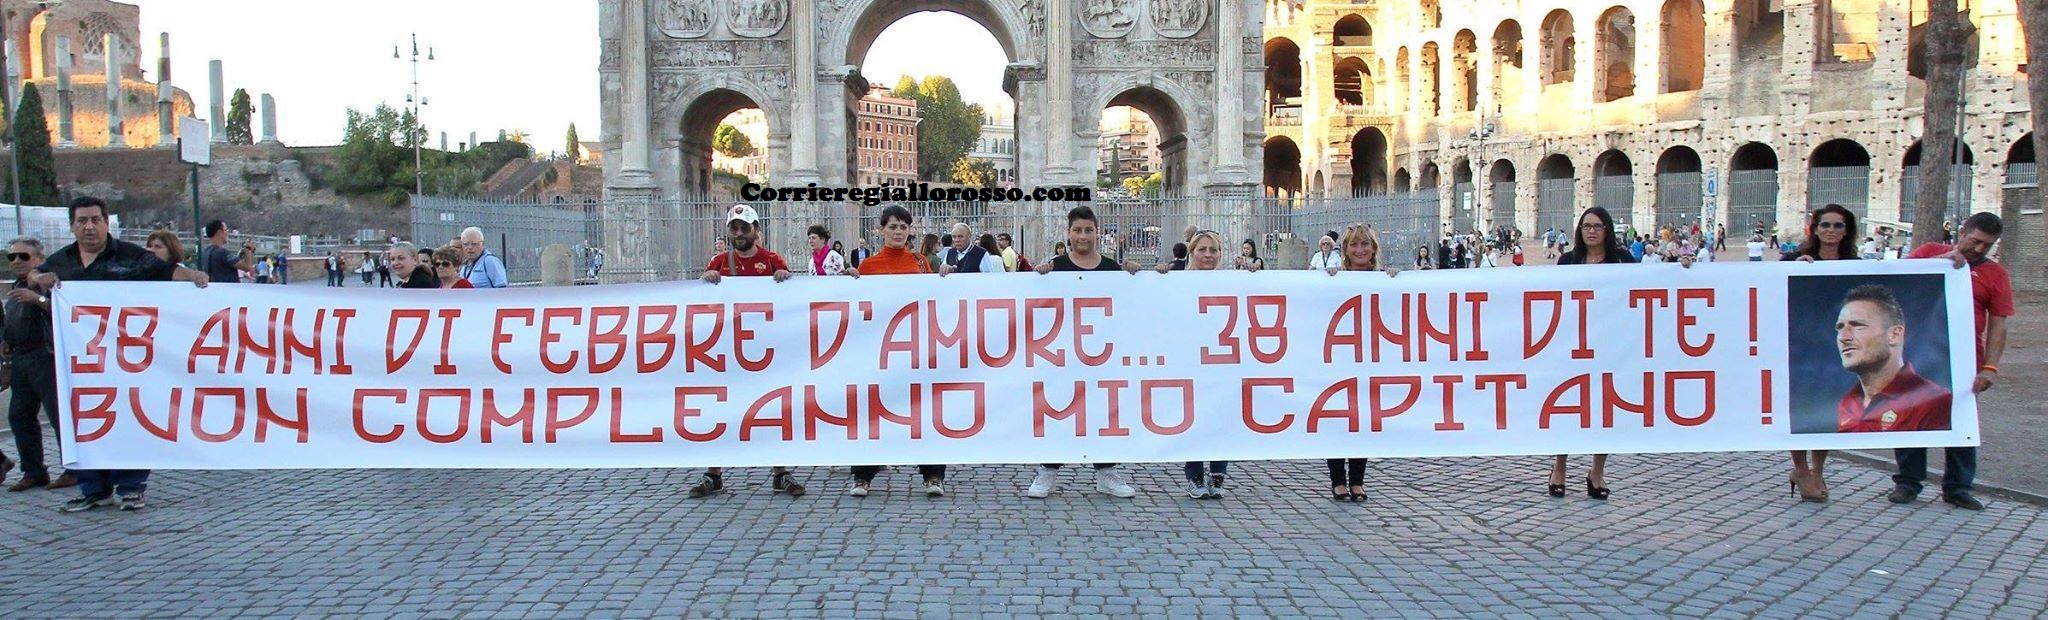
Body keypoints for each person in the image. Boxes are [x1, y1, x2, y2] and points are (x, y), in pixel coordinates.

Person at [41, 197, 210, 512]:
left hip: (125, 359)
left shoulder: (131, 257)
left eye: (95, 219)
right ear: (72, 226)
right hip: (79, 364)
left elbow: (168, 272)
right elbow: (36, 276)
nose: (89, 226)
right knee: (82, 421)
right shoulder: (61, 261)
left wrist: (195, 277)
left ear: (106, 222)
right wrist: (41, 279)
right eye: (82, 221)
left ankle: (131, 486)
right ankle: (93, 487)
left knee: (130, 417)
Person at [1892, 212, 2012, 511]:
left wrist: (1991, 367)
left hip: (1966, 359)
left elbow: (1999, 323)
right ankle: (1908, 482)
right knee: (1912, 416)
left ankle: (1958, 487)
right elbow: (1896, 281)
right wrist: (1939, 263)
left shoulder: (1996, 275)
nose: (1980, 250)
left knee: (1961, 421)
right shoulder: (1930, 254)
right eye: (1975, 241)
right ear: (1962, 232)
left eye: (1988, 245)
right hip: (1920, 352)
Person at [688, 205, 806, 499]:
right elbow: (702, 303)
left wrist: (785, 278)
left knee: (774, 411)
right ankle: (713, 474)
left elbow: (792, 299)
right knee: (723, 410)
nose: (738, 233)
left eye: (744, 228)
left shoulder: (772, 260)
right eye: (734, 228)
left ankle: (780, 472)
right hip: (730, 350)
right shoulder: (718, 261)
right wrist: (706, 281)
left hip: (767, 351)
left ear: (755, 230)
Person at [1026, 206, 1141, 499]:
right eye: (1077, 230)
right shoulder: (1055, 267)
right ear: (1068, 233)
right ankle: (1047, 471)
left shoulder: (1113, 269)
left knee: (1104, 411)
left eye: (1088, 230)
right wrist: (1039, 276)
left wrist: (1137, 276)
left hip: (1103, 356)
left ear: (1097, 232)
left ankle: (1107, 472)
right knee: (1058, 410)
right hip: (1063, 356)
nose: (1083, 236)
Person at [843, 206, 950, 497]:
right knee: (872, 412)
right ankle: (862, 476)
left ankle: (933, 475)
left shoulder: (920, 262)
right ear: (881, 231)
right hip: (879, 351)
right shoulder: (868, 267)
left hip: (914, 349)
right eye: (892, 227)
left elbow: (931, 300)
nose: (898, 232)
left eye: (903, 226)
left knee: (923, 411)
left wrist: (941, 278)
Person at [1547, 207, 1638, 501]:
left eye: (1597, 226)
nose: (1591, 231)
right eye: (1586, 226)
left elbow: (1651, 284)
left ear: (1607, 230)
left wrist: (1682, 267)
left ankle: (1597, 471)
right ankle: (1559, 467)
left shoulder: (1623, 260)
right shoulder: (1568, 261)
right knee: (1567, 407)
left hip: (1611, 345)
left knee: (1604, 411)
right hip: (1574, 343)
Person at [1783, 203, 1861, 501]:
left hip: (1834, 346)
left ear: (1846, 230)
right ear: (1815, 229)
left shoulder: (1856, 262)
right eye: (1825, 225)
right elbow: (1767, 287)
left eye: (1837, 225)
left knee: (1827, 409)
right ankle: (1800, 468)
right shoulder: (1795, 259)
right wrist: (1792, 269)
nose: (1830, 230)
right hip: (1801, 346)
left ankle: (1818, 469)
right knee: (1801, 410)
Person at [1322, 224, 1401, 501]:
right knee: (1337, 419)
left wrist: (1395, 280)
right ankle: (1337, 480)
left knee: (1361, 420)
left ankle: (1357, 480)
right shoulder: (1333, 278)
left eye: (1365, 245)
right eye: (1354, 245)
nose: (1360, 250)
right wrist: (1328, 280)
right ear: (1345, 250)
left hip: (1370, 358)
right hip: (1339, 357)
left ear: (1373, 249)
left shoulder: (1384, 278)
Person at [3, 236, 76, 492]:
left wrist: (39, 300)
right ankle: (33, 471)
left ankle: (74, 469)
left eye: (24, 256)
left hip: (45, 355)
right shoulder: (17, 285)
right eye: (12, 256)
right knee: (19, 416)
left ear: (39, 259)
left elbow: (64, 312)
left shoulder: (47, 283)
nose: (17, 261)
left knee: (58, 415)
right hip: (20, 357)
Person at [1163, 230, 1230, 498]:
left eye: (1213, 250)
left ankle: (1218, 475)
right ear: (1191, 252)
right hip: (1188, 359)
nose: (1208, 255)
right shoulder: (1176, 281)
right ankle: (1194, 476)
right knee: (1193, 418)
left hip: (1222, 359)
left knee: (1220, 417)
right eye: (1202, 249)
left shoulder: (1232, 282)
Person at [1832, 284, 1951, 434]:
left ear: (1894, 335)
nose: (1844, 337)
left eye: (1857, 325)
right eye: (1840, 327)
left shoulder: (1934, 401)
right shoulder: (1847, 403)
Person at [200, 219, 254, 284]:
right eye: (226, 230)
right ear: (219, 232)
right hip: (227, 291)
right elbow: (246, 267)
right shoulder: (222, 252)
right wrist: (248, 249)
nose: (228, 233)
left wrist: (239, 255)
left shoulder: (205, 252)